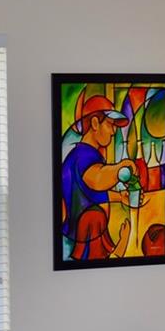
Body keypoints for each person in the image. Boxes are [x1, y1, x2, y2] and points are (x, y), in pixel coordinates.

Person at [58, 95, 132, 261]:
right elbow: (97, 179)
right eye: (110, 124)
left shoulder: (80, 155)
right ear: (95, 123)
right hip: (84, 239)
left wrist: (120, 197)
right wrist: (121, 168)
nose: (113, 131)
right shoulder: (84, 155)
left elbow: (88, 193)